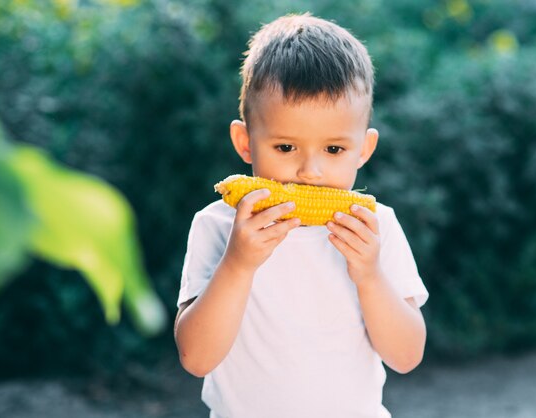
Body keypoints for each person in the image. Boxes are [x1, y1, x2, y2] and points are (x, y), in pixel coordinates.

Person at [174, 13, 428, 418]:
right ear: (246, 142)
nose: (310, 171)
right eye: (286, 148)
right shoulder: (218, 226)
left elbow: (407, 356)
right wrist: (238, 265)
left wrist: (370, 275)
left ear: (363, 148)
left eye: (333, 150)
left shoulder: (376, 229)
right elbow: (196, 358)